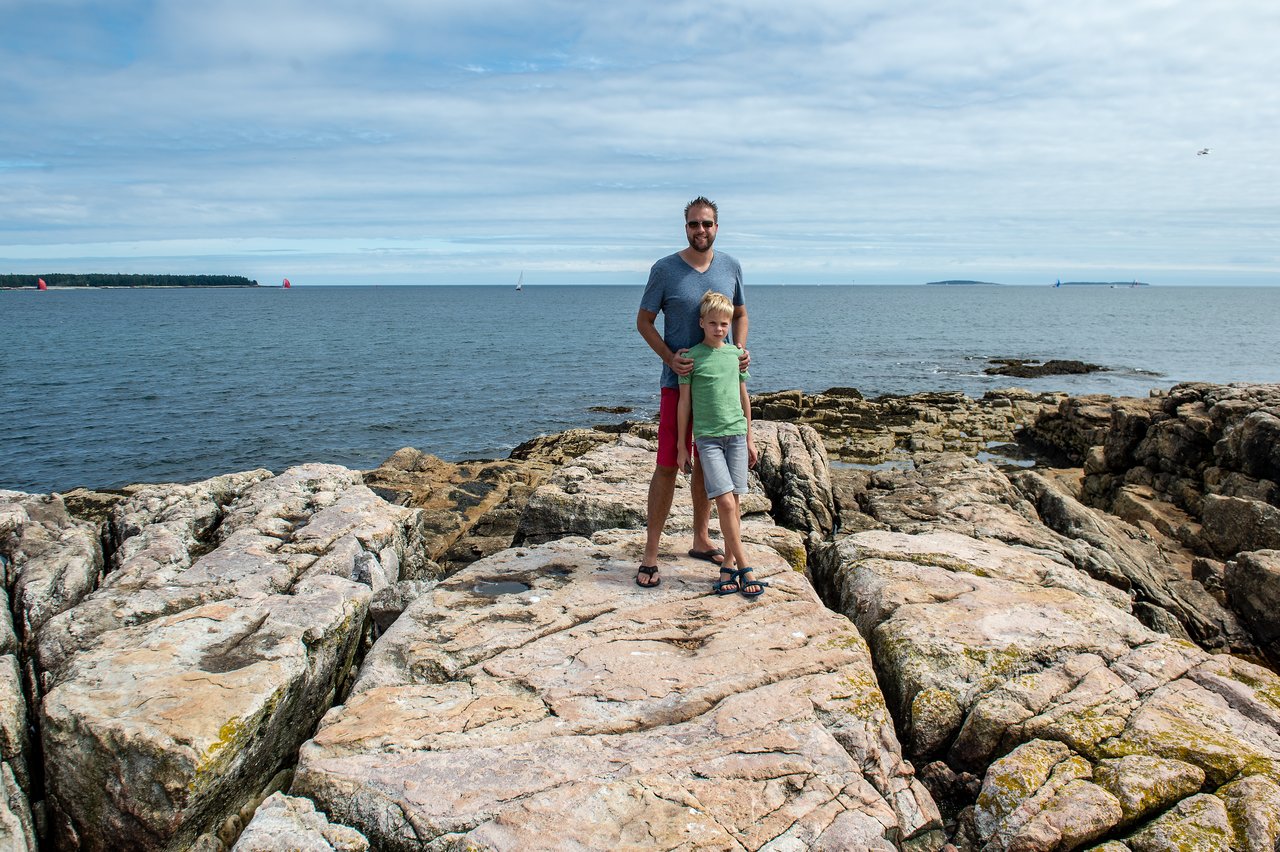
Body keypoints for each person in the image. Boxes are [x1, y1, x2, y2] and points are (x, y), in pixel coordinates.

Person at [635, 196, 749, 590]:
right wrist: (669, 357)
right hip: (677, 386)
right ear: (685, 227)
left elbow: (741, 312)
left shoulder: (731, 266)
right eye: (694, 224)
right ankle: (651, 554)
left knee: (706, 462)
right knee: (667, 464)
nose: (701, 230)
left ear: (717, 226)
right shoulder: (664, 269)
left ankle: (701, 539)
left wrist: (738, 350)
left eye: (708, 224)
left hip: (717, 389)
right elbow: (644, 321)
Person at [676, 291, 764, 597]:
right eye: (712, 323)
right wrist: (681, 445)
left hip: (737, 437)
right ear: (701, 323)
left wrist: (750, 438)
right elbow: (683, 406)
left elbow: (744, 398)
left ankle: (728, 565)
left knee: (735, 504)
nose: (719, 329)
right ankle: (745, 565)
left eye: (724, 324)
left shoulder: (735, 356)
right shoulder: (690, 358)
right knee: (725, 501)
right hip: (708, 439)